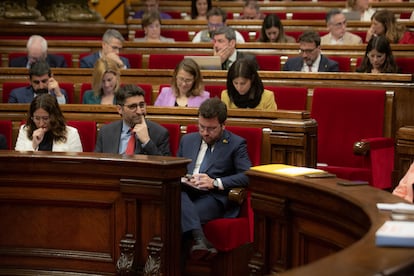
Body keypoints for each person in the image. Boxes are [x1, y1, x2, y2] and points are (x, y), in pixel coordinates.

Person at [178, 97, 251, 260]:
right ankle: (200, 239)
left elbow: (247, 176)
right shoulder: (187, 140)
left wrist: (215, 182)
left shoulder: (236, 144)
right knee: (176, 192)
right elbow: (177, 168)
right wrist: (184, 179)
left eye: (211, 129)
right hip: (186, 192)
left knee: (174, 215)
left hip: (213, 197)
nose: (204, 132)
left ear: (223, 125)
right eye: (201, 127)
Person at [95, 84, 170, 156]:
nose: (139, 111)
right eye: (132, 107)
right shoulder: (106, 132)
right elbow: (96, 163)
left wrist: (147, 142)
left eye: (141, 105)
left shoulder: (160, 133)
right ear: (120, 109)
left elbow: (165, 166)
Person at [15, 94, 82, 152]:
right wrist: (34, 145)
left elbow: (77, 164)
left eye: (45, 118)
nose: (41, 123)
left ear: (55, 116)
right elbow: (19, 162)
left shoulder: (71, 133)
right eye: (37, 118)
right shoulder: (24, 131)